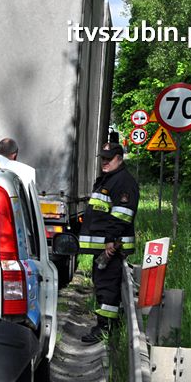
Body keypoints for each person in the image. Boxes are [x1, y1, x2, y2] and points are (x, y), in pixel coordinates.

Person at [79, 142, 139, 343]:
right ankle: (105, 326)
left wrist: (111, 241)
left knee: (107, 289)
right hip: (104, 247)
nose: (104, 162)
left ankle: (104, 329)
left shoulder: (123, 182)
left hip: (112, 247)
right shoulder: (109, 179)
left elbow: (122, 214)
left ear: (119, 159)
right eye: (103, 158)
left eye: (109, 158)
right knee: (103, 286)